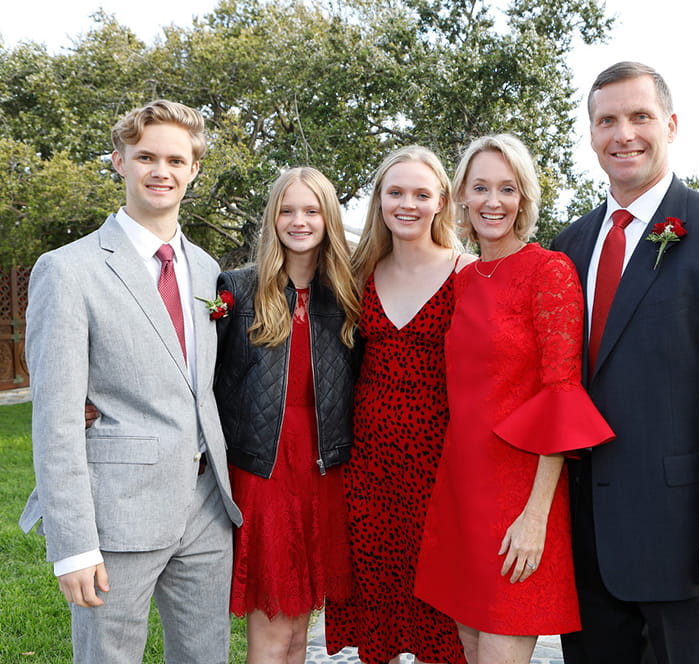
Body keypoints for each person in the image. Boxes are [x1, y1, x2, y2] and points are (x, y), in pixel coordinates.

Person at [551, 61, 699, 663]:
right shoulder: (568, 247)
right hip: (586, 542)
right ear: (592, 134)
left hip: (683, 542)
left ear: (671, 125)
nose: (622, 133)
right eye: (607, 121)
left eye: (639, 117)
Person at [18, 100, 242, 663]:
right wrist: (73, 547)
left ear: (194, 170)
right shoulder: (68, 270)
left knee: (206, 655)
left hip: (208, 507)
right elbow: (56, 419)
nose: (160, 170)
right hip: (115, 513)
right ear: (119, 162)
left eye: (175, 159)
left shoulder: (209, 270)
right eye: (146, 157)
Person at [414, 134, 614, 664]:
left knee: (500, 648)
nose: (492, 201)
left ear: (524, 198)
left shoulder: (548, 271)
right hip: (460, 490)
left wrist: (535, 518)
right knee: (470, 645)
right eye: (480, 187)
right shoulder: (461, 278)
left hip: (519, 496)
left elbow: (561, 396)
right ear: (461, 195)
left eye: (506, 188)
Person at [324, 145, 472, 664]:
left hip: (441, 468)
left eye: (421, 194)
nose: (407, 204)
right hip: (369, 467)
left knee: (444, 616)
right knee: (380, 613)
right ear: (379, 201)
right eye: (396, 192)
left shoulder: (468, 272)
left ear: (441, 203)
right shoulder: (356, 272)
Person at [212, 167, 360, 663]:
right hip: (264, 470)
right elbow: (191, 371)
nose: (299, 221)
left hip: (323, 471)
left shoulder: (346, 296)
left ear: (328, 218)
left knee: (299, 634)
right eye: (287, 210)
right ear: (273, 217)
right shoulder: (236, 290)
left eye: (311, 210)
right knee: (273, 632)